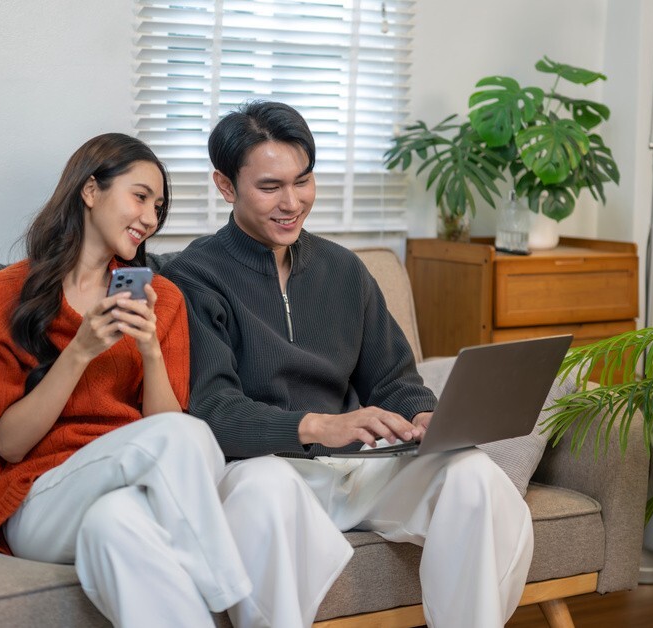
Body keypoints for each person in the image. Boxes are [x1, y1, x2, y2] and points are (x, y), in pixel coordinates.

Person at [160, 102, 535, 627]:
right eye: (270, 187)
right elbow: (213, 412)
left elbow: (394, 379)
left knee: (472, 476)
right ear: (226, 186)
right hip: (262, 472)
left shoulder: (344, 270)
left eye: (304, 180)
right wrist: (319, 426)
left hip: (357, 470)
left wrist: (426, 418)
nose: (292, 203)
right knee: (267, 489)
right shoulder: (194, 277)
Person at [0, 133, 342, 628]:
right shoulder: (0, 295)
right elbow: (10, 445)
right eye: (139, 197)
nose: (149, 218)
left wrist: (150, 350)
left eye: (158, 207)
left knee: (114, 526)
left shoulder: (163, 298)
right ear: (90, 190)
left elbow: (169, 431)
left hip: (131, 496)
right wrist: (80, 352)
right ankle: (231, 588)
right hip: (42, 499)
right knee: (186, 436)